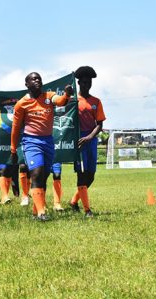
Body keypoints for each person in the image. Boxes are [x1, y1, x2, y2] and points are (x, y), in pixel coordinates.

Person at [10, 72, 73, 221]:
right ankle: (41, 213)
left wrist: (67, 95)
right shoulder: (21, 103)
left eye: (39, 78)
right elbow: (15, 128)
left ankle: (35, 210)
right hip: (31, 142)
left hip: (48, 141)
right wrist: (13, 149)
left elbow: (61, 101)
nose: (37, 80)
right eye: (33, 79)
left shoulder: (48, 96)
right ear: (27, 84)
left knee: (44, 177)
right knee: (37, 173)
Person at [69, 66, 106, 217]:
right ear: (78, 83)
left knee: (90, 175)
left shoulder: (96, 101)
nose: (86, 85)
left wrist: (90, 137)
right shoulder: (73, 102)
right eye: (83, 82)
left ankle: (73, 201)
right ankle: (87, 210)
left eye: (88, 82)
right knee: (81, 174)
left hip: (91, 139)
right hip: (79, 140)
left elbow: (100, 124)